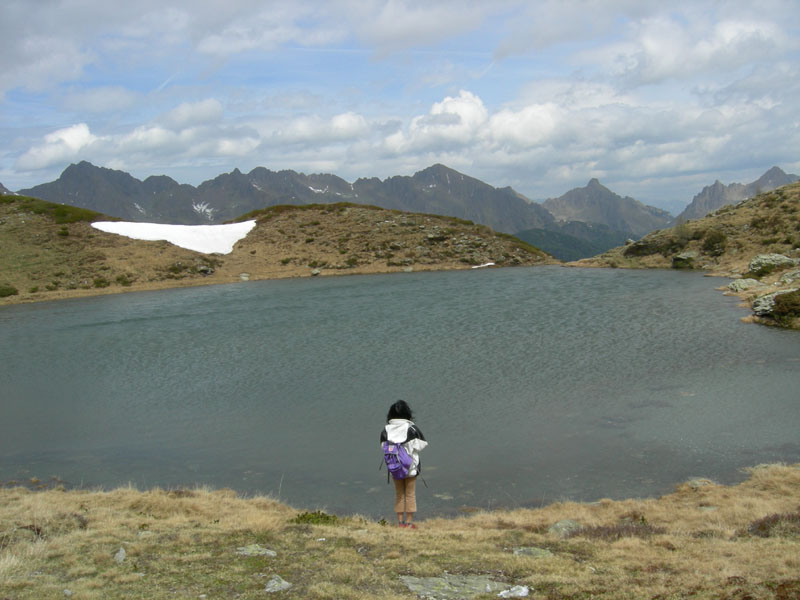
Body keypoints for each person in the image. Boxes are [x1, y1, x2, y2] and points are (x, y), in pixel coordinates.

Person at [380, 400, 427, 528]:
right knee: (410, 494)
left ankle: (400, 522)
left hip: (394, 468)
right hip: (411, 468)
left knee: (399, 494)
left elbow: (383, 447)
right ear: (407, 413)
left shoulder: (386, 430)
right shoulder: (411, 429)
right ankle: (409, 523)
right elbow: (421, 445)